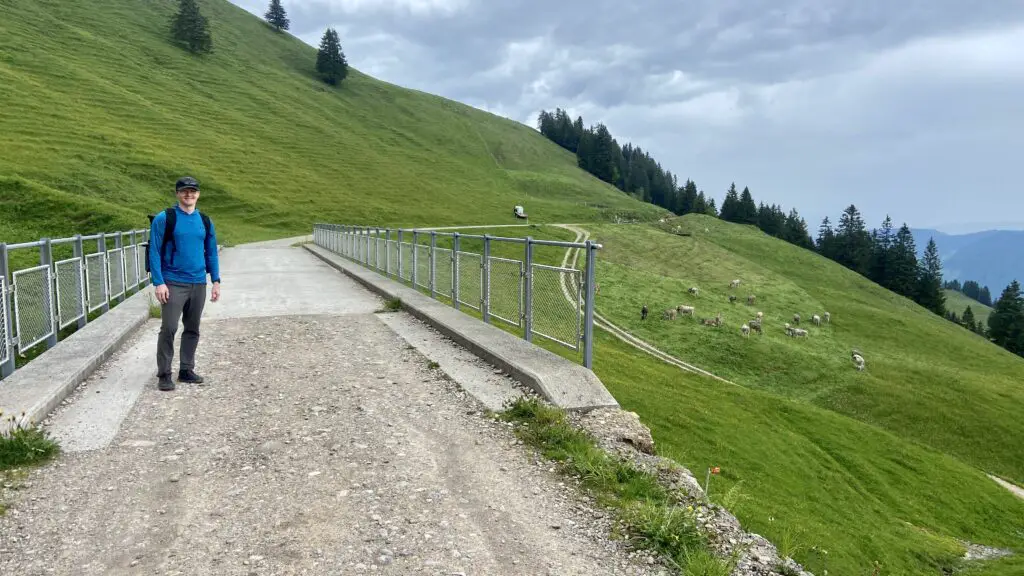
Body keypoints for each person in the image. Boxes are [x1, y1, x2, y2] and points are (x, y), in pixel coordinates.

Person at [148, 176, 221, 391]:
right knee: (169, 327)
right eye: (184, 191)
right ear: (177, 194)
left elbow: (212, 253)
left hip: (198, 282)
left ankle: (186, 370)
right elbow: (154, 250)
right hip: (173, 282)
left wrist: (215, 280)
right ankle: (164, 374)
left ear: (198, 194)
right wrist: (159, 282)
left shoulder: (205, 221)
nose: (189, 195)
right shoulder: (165, 218)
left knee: (192, 328)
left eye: (193, 191)